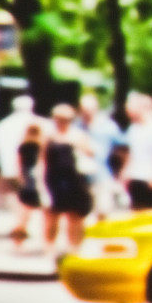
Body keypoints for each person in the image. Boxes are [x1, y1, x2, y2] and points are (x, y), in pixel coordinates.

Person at [43, 103, 94, 256]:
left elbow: (90, 154)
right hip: (54, 178)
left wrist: (79, 147)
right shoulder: (49, 136)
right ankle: (49, 246)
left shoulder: (78, 135)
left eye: (66, 119)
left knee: (75, 215)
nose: (62, 122)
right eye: (59, 119)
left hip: (74, 178)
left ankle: (74, 247)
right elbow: (42, 159)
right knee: (52, 214)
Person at [77, 94, 125, 221]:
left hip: (102, 175)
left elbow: (122, 150)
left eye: (89, 110)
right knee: (81, 213)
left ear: (96, 109)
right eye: (83, 111)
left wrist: (120, 173)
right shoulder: (76, 126)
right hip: (79, 177)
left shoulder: (108, 126)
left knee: (103, 210)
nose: (86, 114)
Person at [120, 93, 152, 210]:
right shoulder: (133, 128)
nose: (128, 112)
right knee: (136, 209)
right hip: (135, 176)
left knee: (151, 211)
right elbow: (131, 153)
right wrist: (125, 172)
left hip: (150, 176)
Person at [9, 123, 48, 246]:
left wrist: (20, 178)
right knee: (46, 212)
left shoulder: (23, 146)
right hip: (38, 179)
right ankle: (46, 239)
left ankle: (18, 239)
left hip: (26, 179)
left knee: (24, 213)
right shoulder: (41, 146)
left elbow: (19, 164)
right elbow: (43, 162)